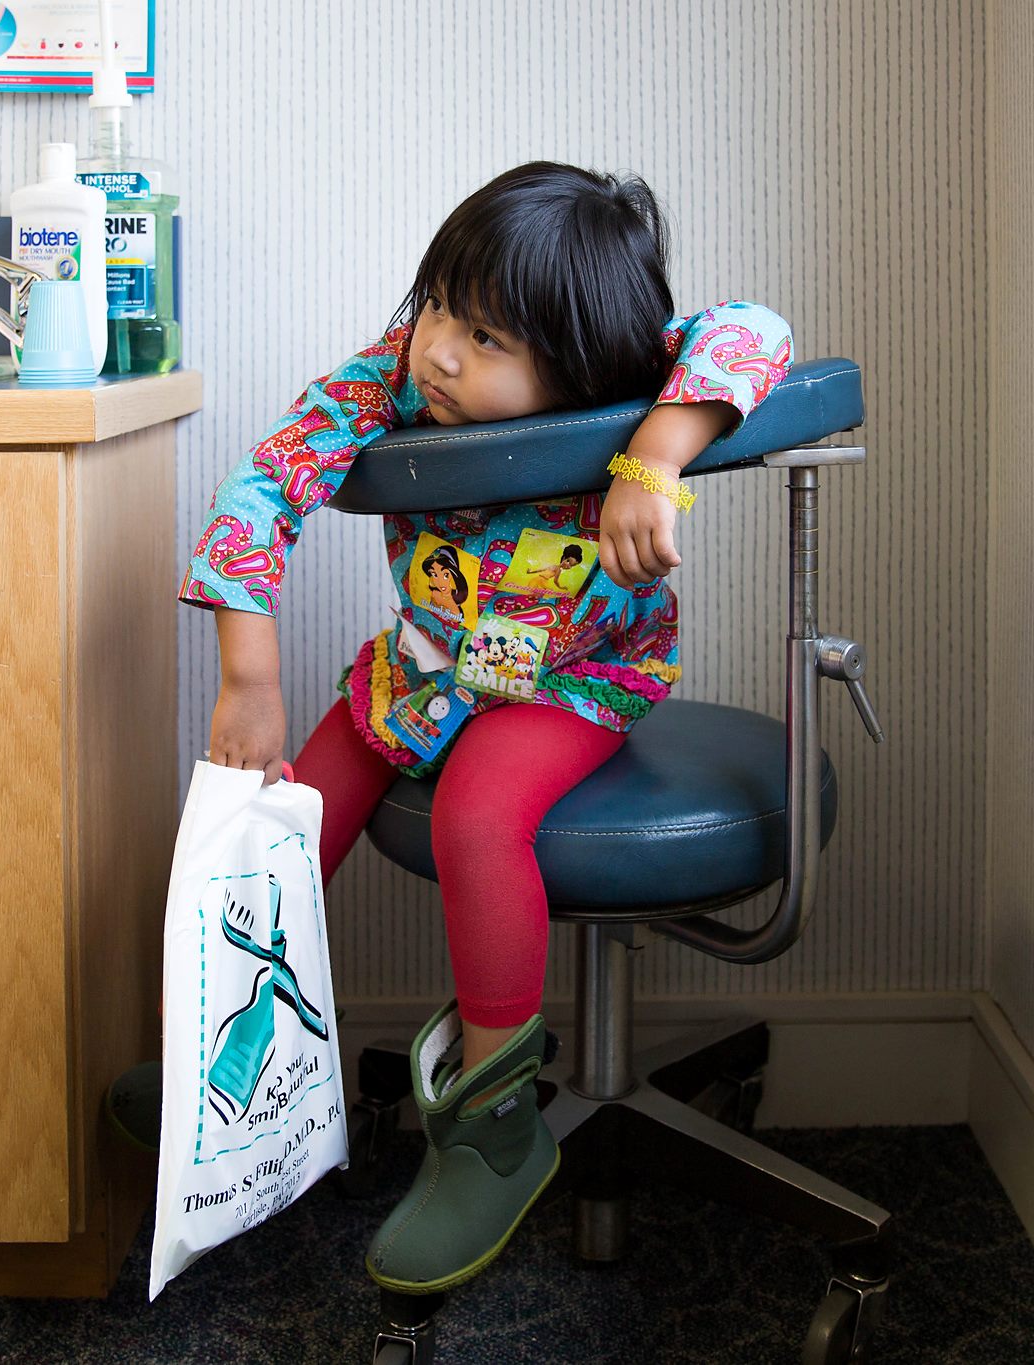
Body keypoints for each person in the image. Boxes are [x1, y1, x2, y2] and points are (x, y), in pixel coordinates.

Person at [180, 161, 792, 1295]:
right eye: (440, 310)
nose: (443, 355)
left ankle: (494, 1119)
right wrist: (246, 677)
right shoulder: (391, 375)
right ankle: (211, 1076)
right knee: (280, 822)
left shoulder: (632, 366)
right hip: (424, 670)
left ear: (581, 361)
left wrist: (651, 457)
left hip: (575, 679)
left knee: (476, 817)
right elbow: (261, 488)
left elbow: (755, 329)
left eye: (488, 339)